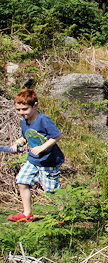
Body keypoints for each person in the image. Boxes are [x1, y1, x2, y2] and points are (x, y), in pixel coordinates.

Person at [3, 89, 65, 222]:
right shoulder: (24, 121)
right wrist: (18, 143)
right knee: (22, 181)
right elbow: (26, 137)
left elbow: (57, 136)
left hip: (48, 161)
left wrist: (42, 147)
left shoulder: (43, 120)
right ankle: (27, 214)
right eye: (19, 110)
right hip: (33, 160)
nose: (21, 113)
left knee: (52, 190)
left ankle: (62, 216)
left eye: (25, 109)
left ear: (35, 105)